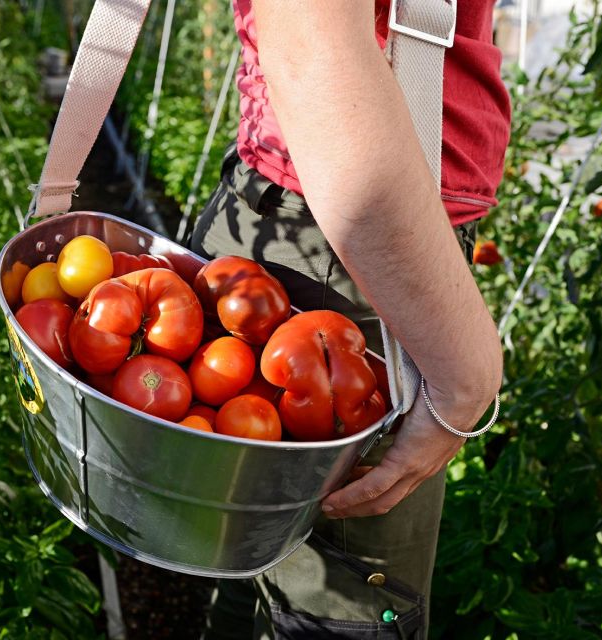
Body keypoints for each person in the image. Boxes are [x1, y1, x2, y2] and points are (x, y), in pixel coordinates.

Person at [189, 0, 511, 637]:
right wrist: (469, 379)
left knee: (263, 566)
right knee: (348, 610)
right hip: (347, 246)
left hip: (325, 227)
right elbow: (313, 46)